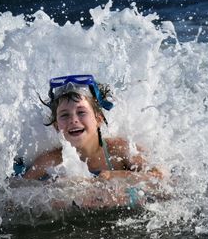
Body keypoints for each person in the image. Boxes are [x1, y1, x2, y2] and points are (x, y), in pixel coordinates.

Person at [23, 74, 162, 184]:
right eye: (64, 115)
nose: (73, 120)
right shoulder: (51, 161)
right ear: (56, 126)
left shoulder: (119, 150)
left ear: (99, 119)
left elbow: (160, 177)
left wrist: (115, 176)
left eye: (81, 112)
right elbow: (18, 188)